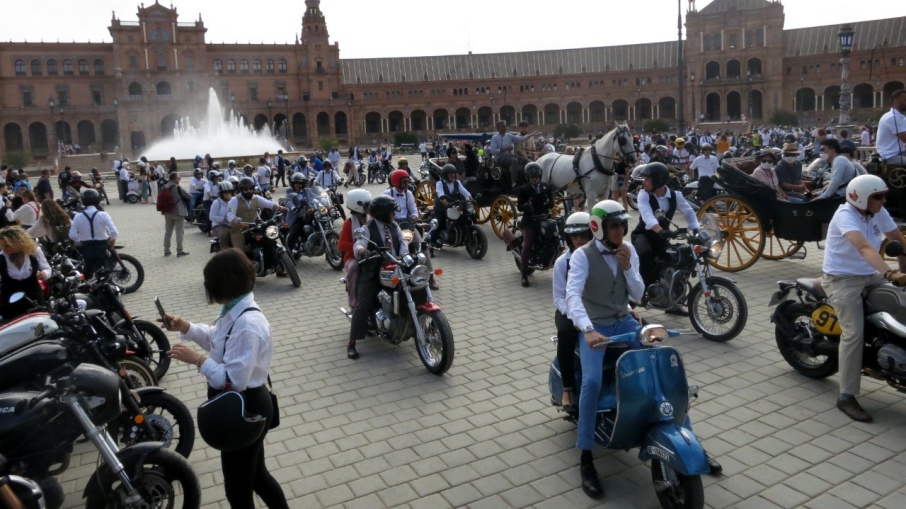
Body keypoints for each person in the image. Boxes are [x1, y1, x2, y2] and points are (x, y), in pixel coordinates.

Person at [162, 248, 289, 509]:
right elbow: (218, 339)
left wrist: (197, 360)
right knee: (256, 476)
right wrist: (186, 327)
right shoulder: (236, 310)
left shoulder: (247, 324)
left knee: (237, 489)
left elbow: (233, 380)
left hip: (244, 407)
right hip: (246, 404)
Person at [564, 200, 645, 499]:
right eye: (613, 226)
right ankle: (586, 455)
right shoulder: (582, 256)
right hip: (595, 326)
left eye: (622, 225)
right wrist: (588, 330)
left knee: (656, 363)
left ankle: (685, 434)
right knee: (592, 382)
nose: (620, 231)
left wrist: (627, 268)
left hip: (623, 321)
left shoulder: (629, 250)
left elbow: (638, 294)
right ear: (598, 228)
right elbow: (572, 296)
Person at [822, 175, 906, 422]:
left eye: (883, 196)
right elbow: (864, 248)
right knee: (853, 333)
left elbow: (898, 241)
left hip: (871, 276)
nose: (883, 200)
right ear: (860, 198)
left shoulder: (878, 213)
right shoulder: (844, 216)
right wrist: (889, 271)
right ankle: (846, 396)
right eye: (877, 197)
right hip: (842, 280)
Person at [631, 162, 700, 314]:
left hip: (661, 237)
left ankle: (673, 300)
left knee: (679, 258)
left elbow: (689, 213)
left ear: (658, 181)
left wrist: (696, 230)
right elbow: (647, 217)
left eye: (647, 179)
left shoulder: (676, 196)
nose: (644, 182)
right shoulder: (643, 195)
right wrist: (661, 230)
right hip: (643, 234)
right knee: (645, 253)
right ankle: (639, 292)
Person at [347, 195, 409, 359]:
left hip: (396, 266)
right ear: (382, 213)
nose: (394, 215)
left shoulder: (394, 226)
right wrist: (361, 251)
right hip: (373, 270)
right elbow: (359, 243)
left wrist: (404, 255)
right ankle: (352, 342)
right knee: (363, 304)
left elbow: (403, 242)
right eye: (391, 212)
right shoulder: (368, 228)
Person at [552, 212, 593, 414]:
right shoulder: (562, 262)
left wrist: (628, 309)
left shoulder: (598, 257)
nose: (578, 240)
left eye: (583, 235)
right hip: (568, 311)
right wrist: (575, 316)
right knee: (566, 332)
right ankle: (568, 388)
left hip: (597, 308)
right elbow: (559, 297)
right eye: (574, 237)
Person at [384, 169, 438, 290]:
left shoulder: (408, 193)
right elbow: (385, 211)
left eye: (407, 182)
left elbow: (413, 209)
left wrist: (414, 217)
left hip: (408, 225)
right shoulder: (388, 193)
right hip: (393, 226)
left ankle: (431, 277)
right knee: (388, 248)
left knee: (422, 246)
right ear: (396, 182)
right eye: (404, 182)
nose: (407, 184)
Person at [0, 226, 50, 320]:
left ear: (18, 242)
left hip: (34, 297)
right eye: (2, 246)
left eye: (7, 245)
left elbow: (47, 269)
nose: (5, 249)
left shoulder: (34, 251)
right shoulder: (1, 257)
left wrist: (44, 274)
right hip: (10, 301)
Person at [516, 162, 554, 287]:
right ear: (528, 177)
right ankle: (524, 274)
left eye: (536, 177)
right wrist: (526, 206)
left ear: (540, 176)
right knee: (527, 244)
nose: (534, 179)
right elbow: (519, 207)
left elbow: (551, 204)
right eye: (532, 177)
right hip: (530, 220)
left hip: (544, 218)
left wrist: (548, 202)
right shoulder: (523, 189)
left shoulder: (546, 187)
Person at [227, 177, 288, 252]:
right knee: (240, 252)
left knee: (270, 237)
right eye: (246, 189)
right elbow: (230, 216)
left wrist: (281, 208)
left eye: (251, 189)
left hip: (254, 225)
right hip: (238, 229)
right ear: (241, 190)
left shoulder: (256, 198)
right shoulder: (234, 200)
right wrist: (240, 223)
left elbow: (269, 204)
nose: (249, 191)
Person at [68, 189, 117, 279]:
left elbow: (72, 235)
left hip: (87, 247)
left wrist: (80, 240)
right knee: (102, 273)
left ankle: (88, 288)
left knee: (88, 271)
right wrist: (110, 241)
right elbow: (114, 232)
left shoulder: (78, 216)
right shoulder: (103, 214)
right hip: (101, 246)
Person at [338, 189, 372, 315]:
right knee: (354, 269)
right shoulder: (349, 222)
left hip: (372, 255)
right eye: (366, 205)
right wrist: (360, 248)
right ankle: (354, 304)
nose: (368, 208)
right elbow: (341, 245)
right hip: (353, 258)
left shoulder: (372, 218)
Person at [490, 120, 539, 191]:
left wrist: (531, 134)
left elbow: (520, 139)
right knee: (514, 160)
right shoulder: (494, 137)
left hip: (510, 156)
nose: (504, 127)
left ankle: (526, 178)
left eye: (504, 126)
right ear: (498, 129)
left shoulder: (509, 135)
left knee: (525, 160)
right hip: (500, 158)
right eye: (503, 126)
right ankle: (514, 183)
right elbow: (493, 151)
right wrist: (506, 149)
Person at [283, 173, 316, 260]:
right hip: (296, 215)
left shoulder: (307, 191)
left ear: (304, 183)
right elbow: (289, 201)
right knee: (294, 233)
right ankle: (288, 253)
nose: (298, 185)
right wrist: (294, 208)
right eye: (296, 183)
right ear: (292, 184)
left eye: (300, 183)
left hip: (309, 214)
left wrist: (323, 200)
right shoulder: (290, 191)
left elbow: (314, 197)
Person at [161, 172, 192, 257]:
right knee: (179, 232)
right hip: (178, 212)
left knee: (168, 232)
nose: (179, 179)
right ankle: (179, 250)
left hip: (167, 212)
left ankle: (166, 250)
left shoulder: (164, 187)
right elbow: (189, 196)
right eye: (179, 178)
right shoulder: (177, 188)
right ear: (175, 179)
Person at [876, 89, 906, 166]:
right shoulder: (892, 117)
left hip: (900, 153)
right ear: (896, 101)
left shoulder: (901, 117)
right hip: (890, 156)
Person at [209, 181, 236, 250]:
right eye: (225, 192)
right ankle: (224, 253)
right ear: (221, 193)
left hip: (233, 224)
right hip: (219, 225)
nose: (228, 194)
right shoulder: (217, 202)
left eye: (230, 192)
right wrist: (224, 218)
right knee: (225, 234)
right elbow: (211, 217)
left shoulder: (234, 200)